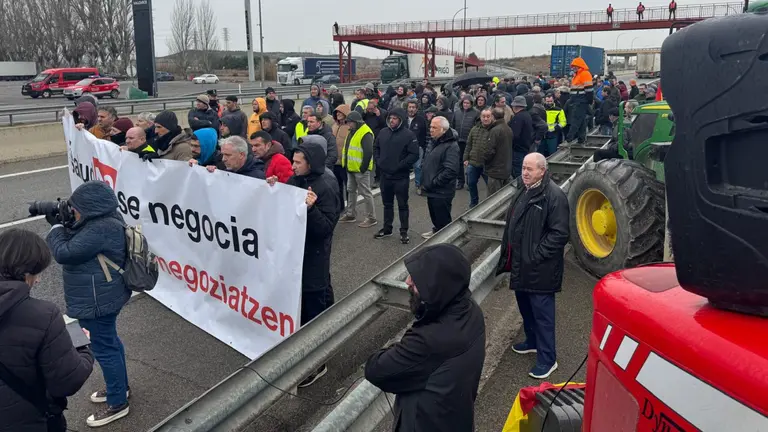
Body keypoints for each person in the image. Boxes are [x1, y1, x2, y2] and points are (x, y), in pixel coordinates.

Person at [365, 244, 485, 432]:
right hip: (457, 418)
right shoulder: (471, 310)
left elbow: (375, 369)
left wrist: (403, 343)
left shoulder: (429, 341)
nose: (407, 282)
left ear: (438, 286)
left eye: (417, 279)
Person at [46, 181, 132, 426]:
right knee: (110, 343)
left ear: (90, 207)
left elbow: (64, 252)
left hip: (97, 300)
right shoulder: (104, 219)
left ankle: (117, 403)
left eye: (76, 207)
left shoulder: (100, 228)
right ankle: (120, 387)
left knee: (104, 348)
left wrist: (56, 228)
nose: (74, 211)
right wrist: (68, 222)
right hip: (104, 294)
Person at [0, 229, 94, 432]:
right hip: (27, 421)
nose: (38, 280)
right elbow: (67, 382)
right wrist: (83, 349)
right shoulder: (44, 315)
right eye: (36, 273)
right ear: (25, 274)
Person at [269, 141, 340, 388]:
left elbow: (326, 229)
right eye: (293, 161)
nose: (293, 165)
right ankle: (334, 327)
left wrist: (311, 209)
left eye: (298, 162)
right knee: (315, 300)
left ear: (311, 163)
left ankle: (317, 363)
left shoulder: (327, 185)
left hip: (314, 255)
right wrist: (274, 189)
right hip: (297, 252)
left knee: (313, 304)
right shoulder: (296, 179)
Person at [495, 153, 569, 380]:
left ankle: (548, 359)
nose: (525, 172)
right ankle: (532, 341)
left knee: (543, 315)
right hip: (521, 264)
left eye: (530, 169)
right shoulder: (524, 189)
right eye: (524, 168)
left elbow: (560, 234)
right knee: (526, 307)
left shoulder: (553, 196)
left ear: (542, 171)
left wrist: (535, 255)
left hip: (540, 269)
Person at [373, 108, 419, 244]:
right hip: (385, 176)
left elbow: (414, 154)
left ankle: (404, 231)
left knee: (402, 205)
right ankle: (387, 228)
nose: (392, 120)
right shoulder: (383, 132)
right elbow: (376, 147)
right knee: (387, 204)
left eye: (395, 118)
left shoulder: (409, 135)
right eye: (390, 118)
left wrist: (400, 165)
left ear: (400, 120)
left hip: (400, 177)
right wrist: (379, 161)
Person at [421, 117, 460, 240]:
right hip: (432, 189)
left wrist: (434, 182)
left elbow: (450, 171)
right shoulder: (434, 141)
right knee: (435, 215)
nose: (431, 130)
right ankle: (436, 231)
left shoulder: (451, 146)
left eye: (434, 127)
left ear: (443, 130)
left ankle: (446, 241)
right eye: (430, 127)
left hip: (441, 191)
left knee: (443, 218)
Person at [338, 111, 377, 228]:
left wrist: (363, 168)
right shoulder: (352, 131)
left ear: (356, 122)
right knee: (351, 190)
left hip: (360, 169)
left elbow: (368, 152)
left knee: (366, 193)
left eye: (350, 123)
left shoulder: (365, 132)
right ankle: (351, 214)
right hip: (351, 168)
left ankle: (371, 217)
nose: (348, 125)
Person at [464, 108, 493, 208]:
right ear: (480, 117)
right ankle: (474, 202)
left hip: (487, 164)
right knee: (471, 183)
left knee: (490, 186)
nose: (485, 119)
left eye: (488, 116)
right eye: (483, 116)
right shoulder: (474, 129)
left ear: (492, 117)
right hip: (473, 162)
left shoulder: (494, 130)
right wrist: (465, 158)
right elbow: (469, 145)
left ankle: (490, 204)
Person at [452, 95, 479, 190]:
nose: (466, 104)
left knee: (470, 162)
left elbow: (478, 127)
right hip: (459, 140)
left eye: (468, 103)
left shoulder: (476, 113)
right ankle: (460, 181)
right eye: (464, 103)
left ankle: (470, 181)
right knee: (459, 162)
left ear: (471, 104)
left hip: (470, 141)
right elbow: (453, 125)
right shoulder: (457, 113)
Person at [484, 108, 513, 194]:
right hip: (506, 169)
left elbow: (489, 151)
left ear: (493, 116)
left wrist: (486, 162)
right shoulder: (508, 129)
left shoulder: (495, 130)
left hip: (495, 171)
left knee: (492, 198)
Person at [565, 57, 593, 145]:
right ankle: (581, 138)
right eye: (572, 66)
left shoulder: (584, 74)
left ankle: (569, 139)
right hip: (577, 100)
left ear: (579, 66)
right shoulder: (577, 75)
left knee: (576, 120)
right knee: (581, 121)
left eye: (574, 66)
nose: (573, 68)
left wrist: (588, 101)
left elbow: (589, 90)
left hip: (581, 101)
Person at [331, 105, 352, 210]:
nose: (338, 114)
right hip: (335, 162)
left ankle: (350, 208)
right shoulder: (334, 126)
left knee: (349, 187)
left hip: (346, 162)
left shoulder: (350, 127)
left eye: (340, 112)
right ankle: (340, 207)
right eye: (337, 112)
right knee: (337, 186)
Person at [509, 96, 533, 178]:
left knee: (518, 172)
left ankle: (520, 188)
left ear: (515, 106)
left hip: (517, 150)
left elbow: (515, 135)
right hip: (525, 147)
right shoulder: (527, 115)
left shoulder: (518, 118)